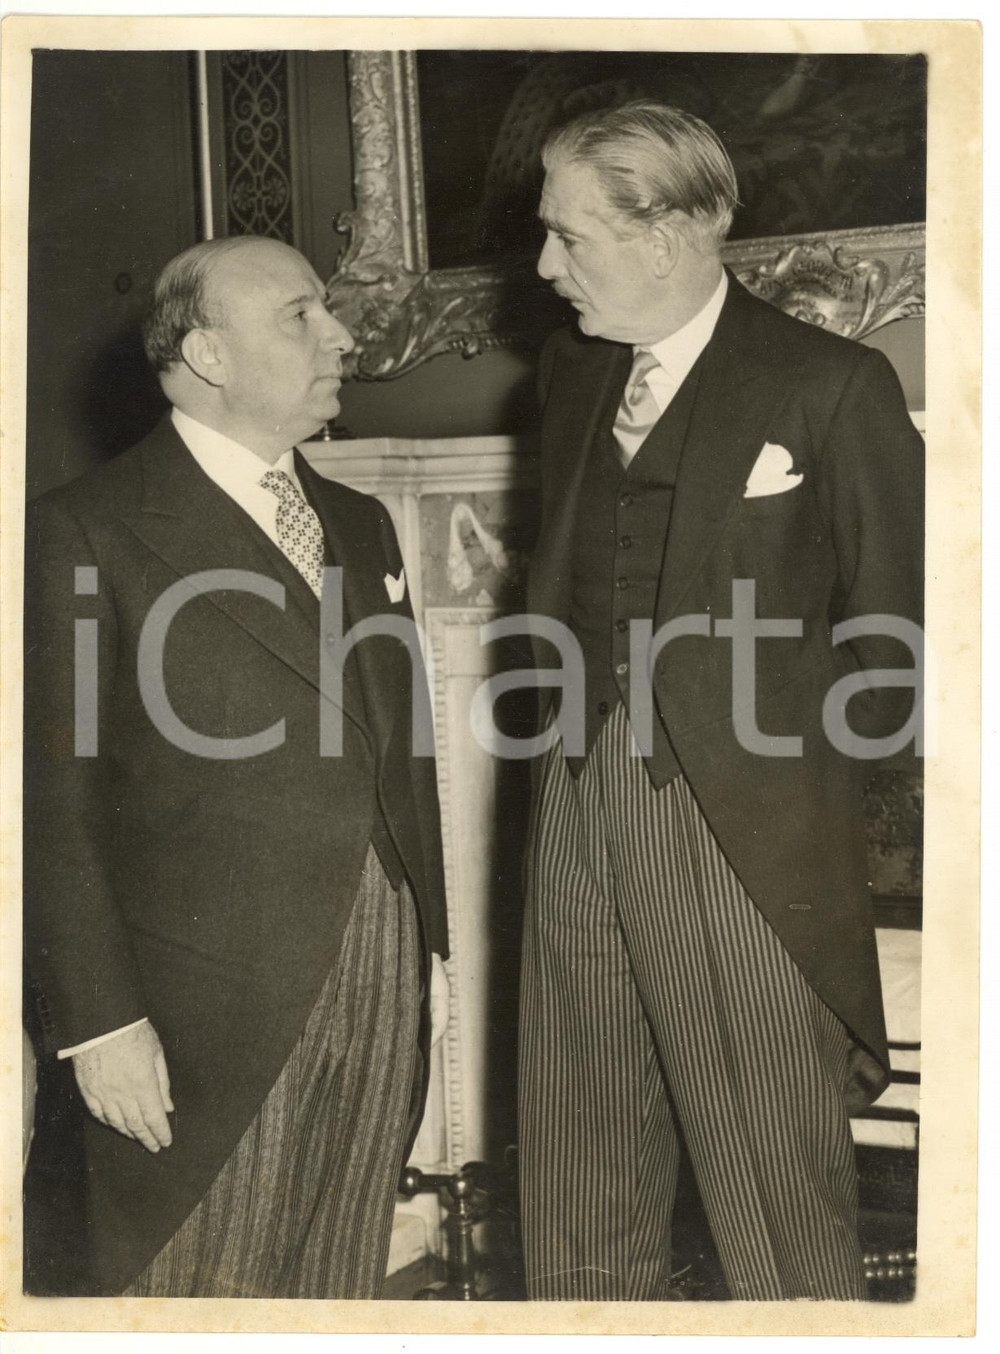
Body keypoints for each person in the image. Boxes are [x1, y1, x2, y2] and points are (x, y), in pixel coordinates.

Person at [517, 102, 923, 1301]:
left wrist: (774, 775)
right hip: (571, 799)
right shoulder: (570, 376)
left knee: (776, 1220)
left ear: (665, 235)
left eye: (567, 238)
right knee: (577, 1188)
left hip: (740, 832)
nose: (543, 267)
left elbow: (905, 647)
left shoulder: (828, 386)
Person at [23, 235, 450, 1299]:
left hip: (379, 970)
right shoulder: (82, 532)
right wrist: (97, 1024)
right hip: (195, 1014)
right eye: (301, 316)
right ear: (208, 353)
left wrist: (431, 954)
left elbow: (406, 754)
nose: (341, 337)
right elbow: (47, 801)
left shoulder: (359, 522)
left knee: (334, 1283)